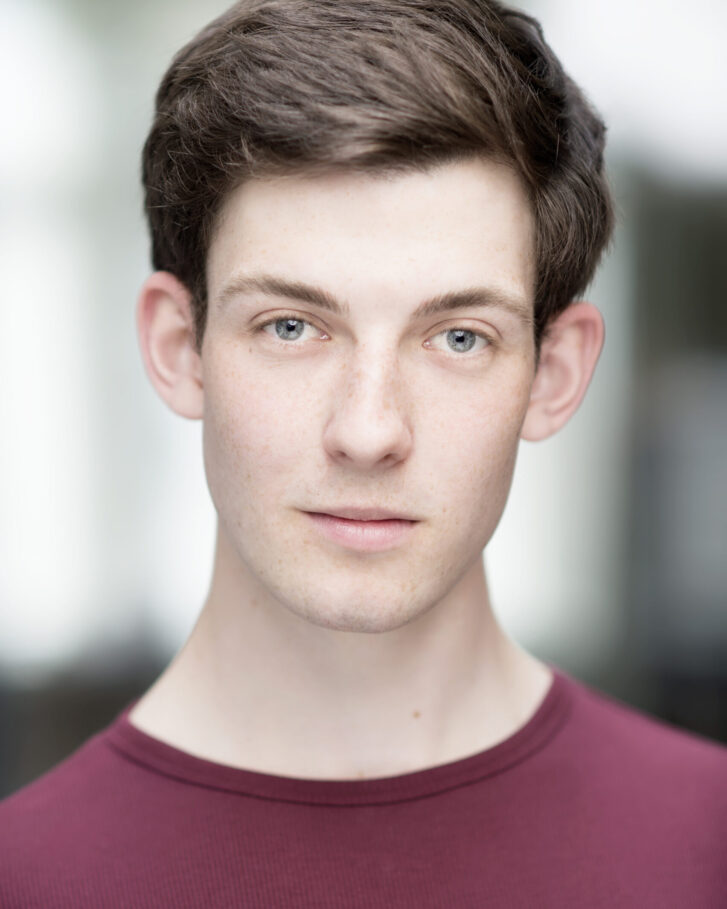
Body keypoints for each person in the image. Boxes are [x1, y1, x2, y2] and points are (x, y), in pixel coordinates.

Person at [1, 1, 725, 906]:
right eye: (291, 326)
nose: (369, 430)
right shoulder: (24, 879)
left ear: (554, 374)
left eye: (458, 337)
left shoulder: (708, 845)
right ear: (178, 348)